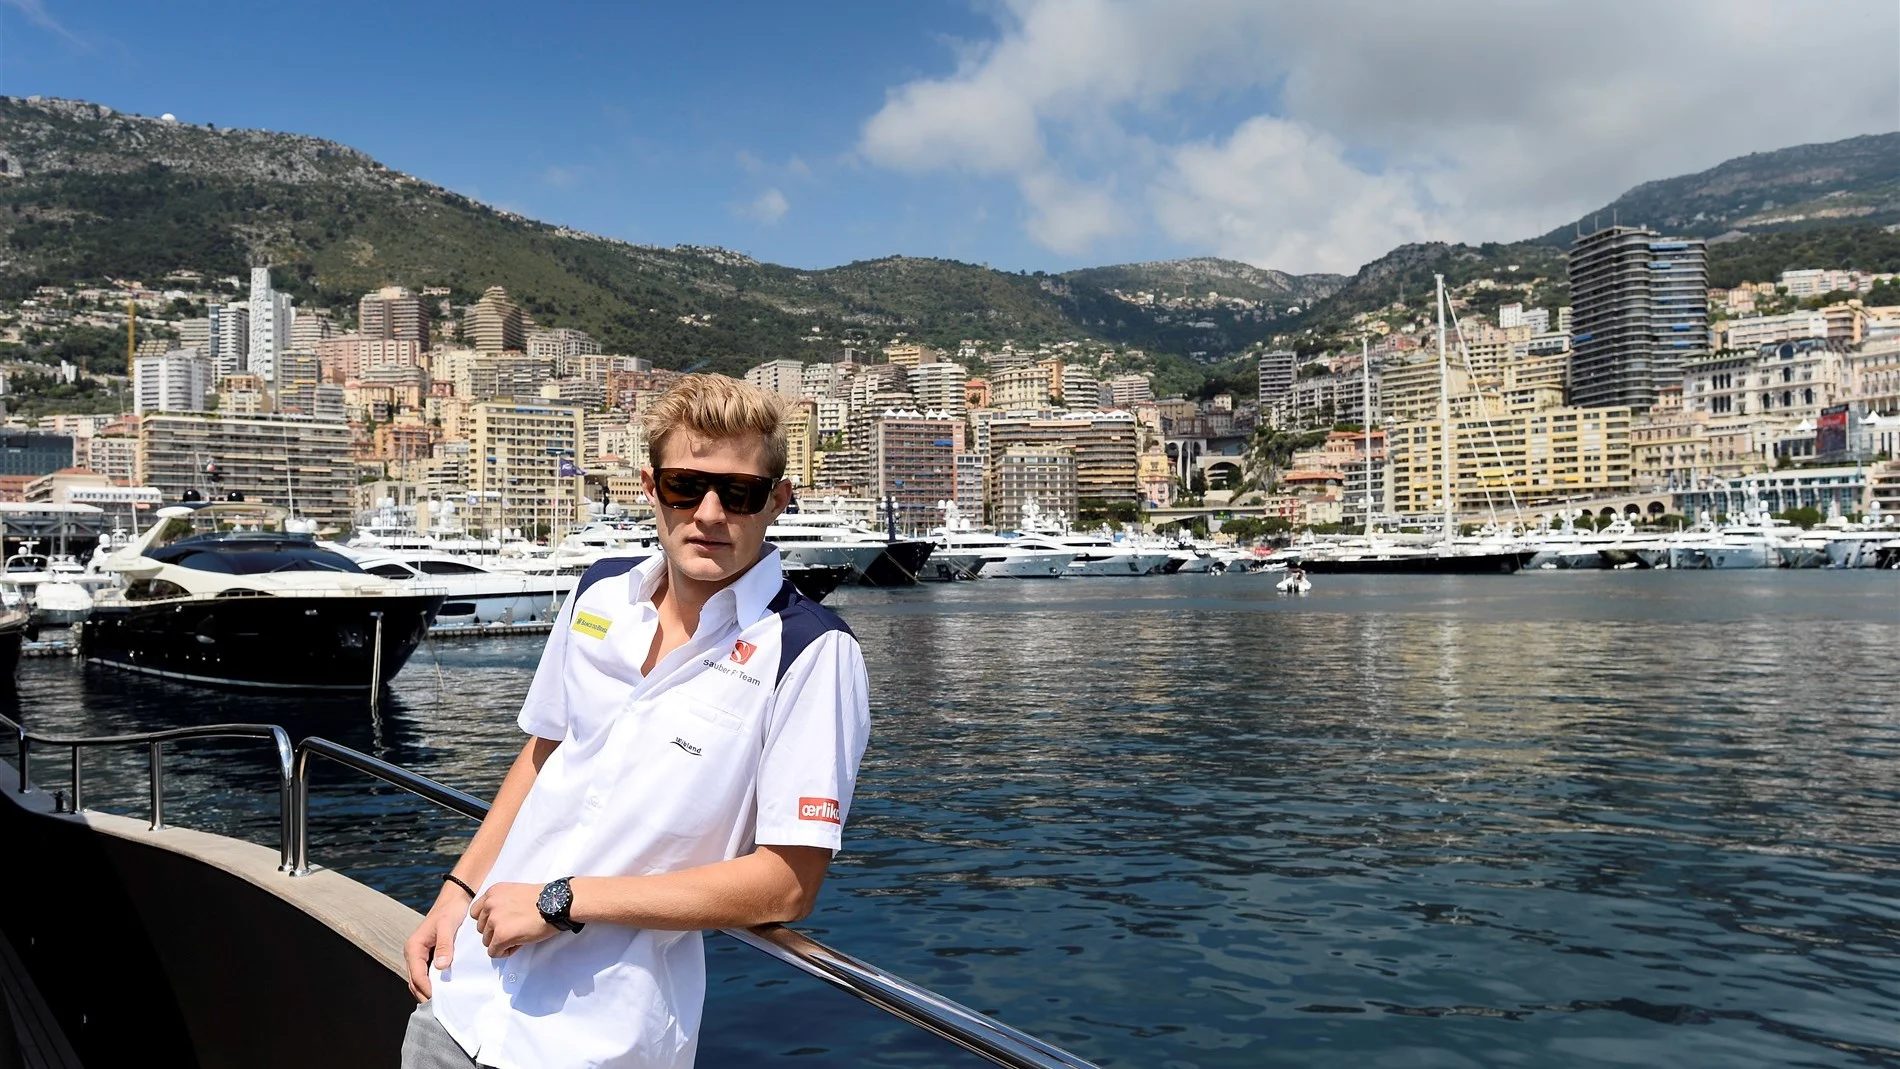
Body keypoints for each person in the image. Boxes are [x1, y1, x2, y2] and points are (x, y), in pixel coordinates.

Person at [400, 374, 872, 1069]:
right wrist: (457, 889)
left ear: (777, 500)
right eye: (687, 485)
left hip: (596, 1042)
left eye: (737, 492)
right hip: (463, 996)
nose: (710, 512)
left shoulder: (809, 652)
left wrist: (563, 901)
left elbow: (789, 883)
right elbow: (541, 755)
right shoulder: (597, 594)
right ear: (651, 488)